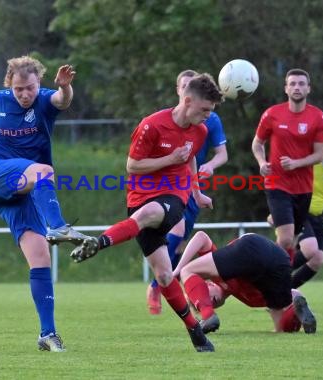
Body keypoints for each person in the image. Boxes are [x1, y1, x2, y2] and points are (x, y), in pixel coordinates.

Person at [70, 73, 224, 352]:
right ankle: (195, 331)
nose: (208, 116)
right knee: (165, 275)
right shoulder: (152, 125)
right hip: (139, 196)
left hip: (174, 196)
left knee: (151, 212)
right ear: (187, 101)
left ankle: (100, 242)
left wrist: (197, 194)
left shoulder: (200, 131)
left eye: (211, 112)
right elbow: (132, 166)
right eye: (205, 110)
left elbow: (188, 160)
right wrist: (169, 159)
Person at [0, 56, 90, 352]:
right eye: (19, 89)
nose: (24, 94)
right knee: (44, 171)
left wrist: (65, 87)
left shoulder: (45, 99)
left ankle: (48, 334)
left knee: (41, 257)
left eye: (29, 88)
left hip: (21, 191)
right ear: (10, 86)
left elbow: (62, 100)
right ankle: (58, 226)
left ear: (38, 83)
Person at [147, 70, 228, 315]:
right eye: (181, 87)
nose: (185, 91)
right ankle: (156, 286)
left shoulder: (209, 119)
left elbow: (222, 154)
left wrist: (210, 167)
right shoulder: (165, 120)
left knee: (181, 245)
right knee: (178, 229)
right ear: (179, 92)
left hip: (191, 184)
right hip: (166, 183)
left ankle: (173, 283)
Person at [251, 68, 323, 260]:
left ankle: (282, 282)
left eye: (301, 84)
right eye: (292, 84)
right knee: (285, 239)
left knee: (293, 240)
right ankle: (266, 273)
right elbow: (257, 143)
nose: (297, 87)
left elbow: (319, 155)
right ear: (286, 88)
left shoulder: (318, 117)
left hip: (303, 187)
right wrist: (262, 162)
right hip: (277, 183)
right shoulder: (272, 114)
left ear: (308, 89)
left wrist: (296, 163)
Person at [173, 231, 317, 334]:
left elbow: (201, 237)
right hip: (281, 260)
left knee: (187, 270)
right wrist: (297, 300)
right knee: (281, 326)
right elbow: (293, 293)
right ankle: (300, 314)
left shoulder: (216, 275)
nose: (211, 302)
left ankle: (207, 315)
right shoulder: (250, 299)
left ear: (208, 284)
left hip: (251, 245)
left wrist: (178, 269)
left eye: (206, 297)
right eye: (210, 304)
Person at [269, 130, 323, 288]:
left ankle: (283, 293)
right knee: (310, 248)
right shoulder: (308, 160)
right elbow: (282, 183)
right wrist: (277, 211)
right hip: (297, 210)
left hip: (316, 217)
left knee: (317, 260)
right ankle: (273, 273)